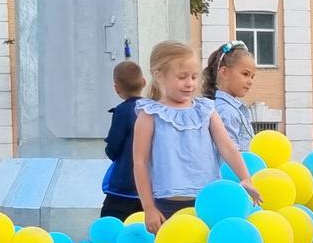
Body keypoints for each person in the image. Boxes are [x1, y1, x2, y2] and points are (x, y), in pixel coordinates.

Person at [132, 40, 261, 233]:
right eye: (182, 77)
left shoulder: (206, 109)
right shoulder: (149, 114)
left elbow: (227, 147)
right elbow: (140, 162)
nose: (190, 83)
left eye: (194, 77)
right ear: (159, 76)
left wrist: (245, 177)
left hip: (208, 203)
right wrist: (149, 207)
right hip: (167, 205)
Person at [101, 61, 147, 220]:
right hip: (149, 187)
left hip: (123, 187)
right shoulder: (153, 109)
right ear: (144, 82)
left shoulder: (122, 111)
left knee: (111, 225)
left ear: (116, 88)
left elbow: (113, 148)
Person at [202, 41, 256, 151]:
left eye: (252, 77)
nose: (250, 82)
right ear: (224, 72)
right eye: (245, 74)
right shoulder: (226, 111)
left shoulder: (233, 108)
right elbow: (228, 155)